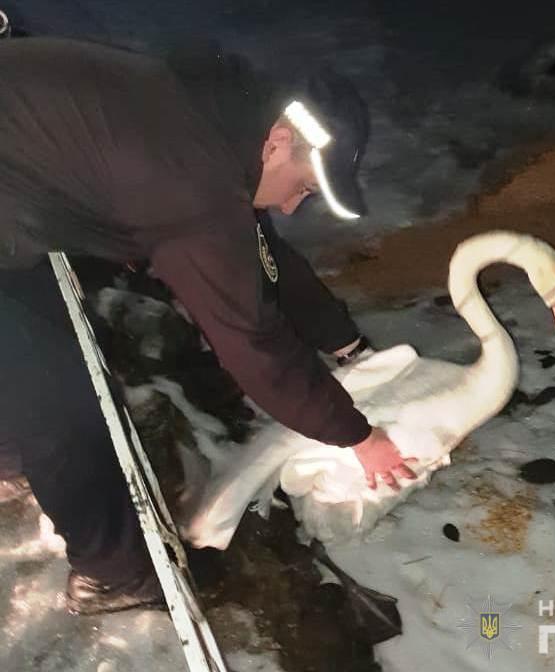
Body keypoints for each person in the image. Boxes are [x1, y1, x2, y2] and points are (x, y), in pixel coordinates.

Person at [0, 36, 417, 615]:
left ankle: (12, 456)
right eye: (303, 187)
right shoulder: (192, 184)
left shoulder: (214, 116)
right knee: (57, 405)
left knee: (31, 356)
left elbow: (258, 250)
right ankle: (111, 576)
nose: (295, 207)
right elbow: (252, 343)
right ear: (277, 143)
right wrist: (360, 438)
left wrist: (344, 343)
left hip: (17, 189)